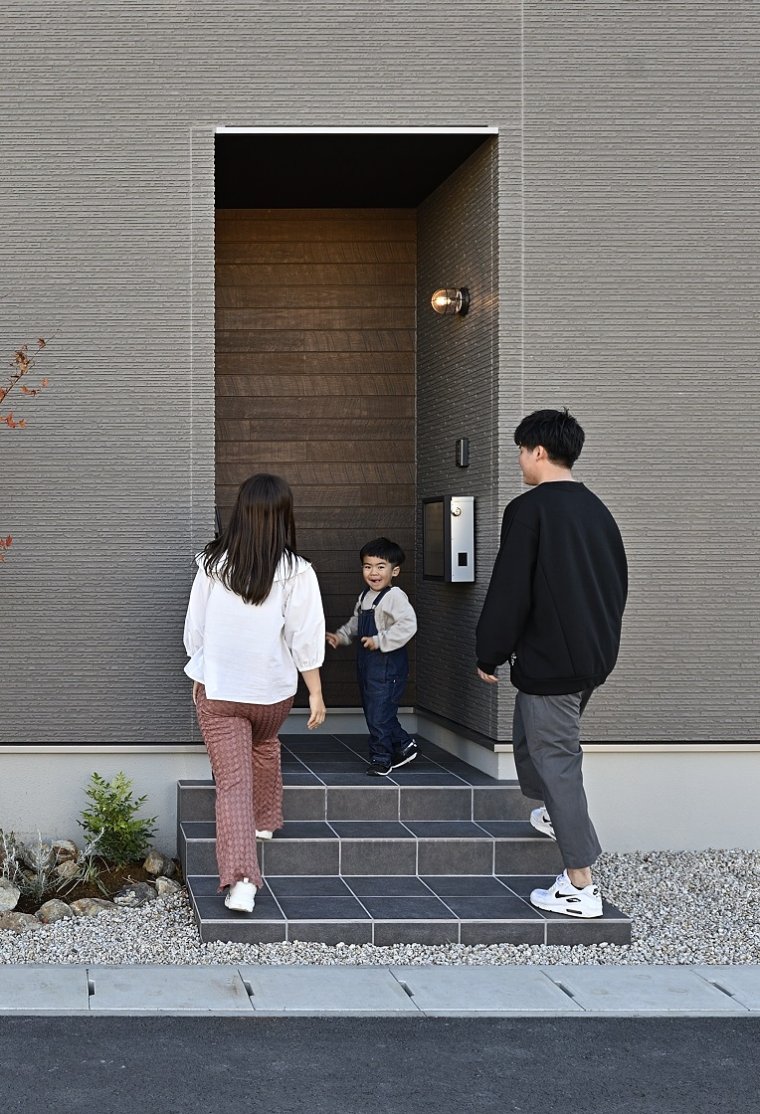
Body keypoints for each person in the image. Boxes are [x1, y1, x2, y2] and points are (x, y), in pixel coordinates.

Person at [476, 408, 627, 918]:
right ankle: (552, 813)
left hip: (554, 661)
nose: (520, 460)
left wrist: (489, 650)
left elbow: (510, 588)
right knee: (529, 738)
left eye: (522, 451)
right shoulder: (596, 509)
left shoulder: (530, 509)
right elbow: (617, 584)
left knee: (556, 759)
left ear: (538, 451)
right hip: (589, 656)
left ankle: (580, 885)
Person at [183, 473, 326, 913]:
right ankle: (264, 822)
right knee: (264, 745)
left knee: (232, 784)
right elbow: (305, 637)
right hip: (273, 694)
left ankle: (242, 881)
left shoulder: (212, 565)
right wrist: (316, 693)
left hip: (220, 690)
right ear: (284, 515)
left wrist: (202, 671)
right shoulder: (297, 571)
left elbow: (195, 631)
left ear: (240, 512)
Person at [326, 537, 418, 777]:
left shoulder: (395, 596)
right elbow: (357, 622)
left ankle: (381, 758)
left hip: (388, 666)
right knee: (376, 711)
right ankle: (404, 744)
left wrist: (380, 640)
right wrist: (341, 636)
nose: (373, 572)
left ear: (394, 571)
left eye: (380, 567)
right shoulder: (366, 596)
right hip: (368, 665)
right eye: (368, 566)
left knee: (379, 713)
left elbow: (408, 625)